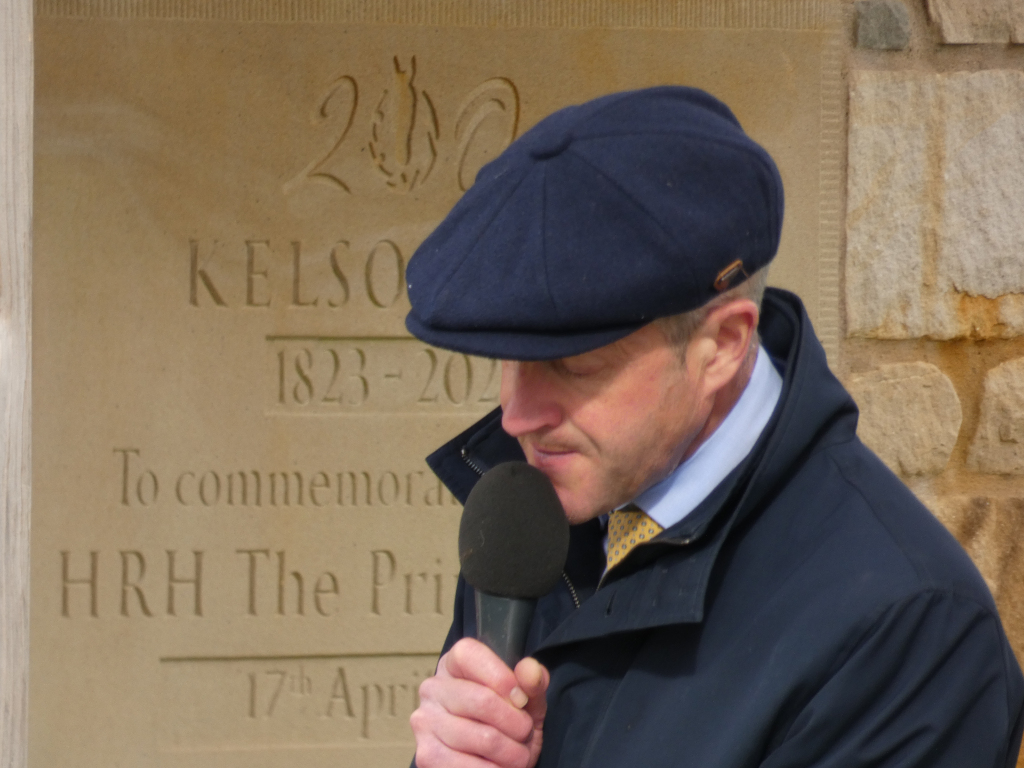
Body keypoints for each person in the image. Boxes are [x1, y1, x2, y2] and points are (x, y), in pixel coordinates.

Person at [402, 87, 1024, 768]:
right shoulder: (535, 519)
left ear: (724, 345)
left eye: (572, 367)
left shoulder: (911, 637)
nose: (516, 417)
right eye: (509, 361)